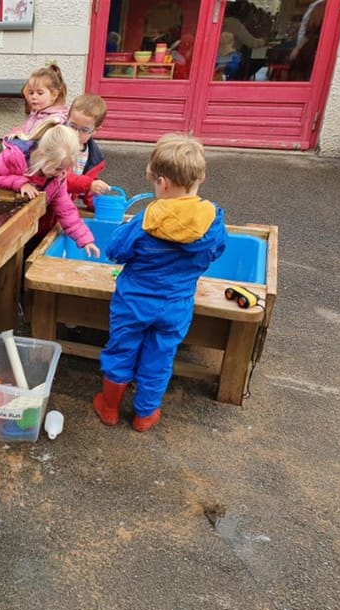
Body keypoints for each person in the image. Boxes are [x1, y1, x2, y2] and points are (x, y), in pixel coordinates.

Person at [92, 133, 227, 432]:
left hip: (133, 303)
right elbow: (216, 251)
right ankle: (144, 415)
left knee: (121, 350)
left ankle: (110, 407)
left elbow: (115, 252)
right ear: (200, 176)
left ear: (162, 182)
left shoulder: (146, 218)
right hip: (176, 304)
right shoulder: (212, 218)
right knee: (160, 357)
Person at [0, 124, 101, 304]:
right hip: (0, 221)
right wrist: (19, 183)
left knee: (23, 262)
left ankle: (16, 299)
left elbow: (66, 209)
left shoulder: (57, 178)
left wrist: (85, 239)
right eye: (58, 168)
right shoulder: (13, 158)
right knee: (4, 264)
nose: (61, 174)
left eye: (64, 170)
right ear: (43, 154)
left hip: (27, 225)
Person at [65, 93, 110, 211]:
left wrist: (95, 205)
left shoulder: (93, 158)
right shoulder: (58, 146)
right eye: (72, 126)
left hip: (65, 205)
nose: (76, 133)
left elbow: (88, 188)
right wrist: (89, 184)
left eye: (84, 130)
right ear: (67, 118)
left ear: (95, 130)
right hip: (48, 202)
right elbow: (61, 179)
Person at [11, 63, 70, 139]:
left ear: (54, 95)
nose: (33, 97)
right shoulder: (37, 111)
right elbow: (25, 90)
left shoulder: (55, 120)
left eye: (40, 93)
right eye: (31, 93)